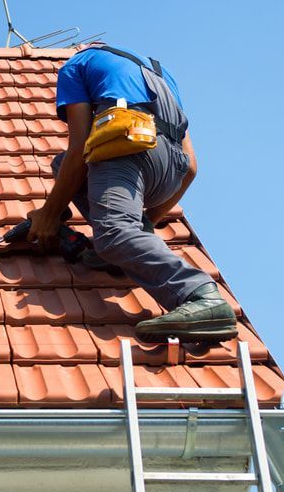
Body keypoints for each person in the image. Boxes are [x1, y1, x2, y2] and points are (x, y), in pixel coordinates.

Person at [26, 43, 237, 342]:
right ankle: (127, 249)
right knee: (63, 167)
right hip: (169, 171)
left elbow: (78, 150)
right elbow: (191, 168)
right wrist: (146, 222)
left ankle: (200, 297)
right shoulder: (160, 74)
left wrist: (48, 214)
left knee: (112, 232)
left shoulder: (76, 66)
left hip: (129, 148)